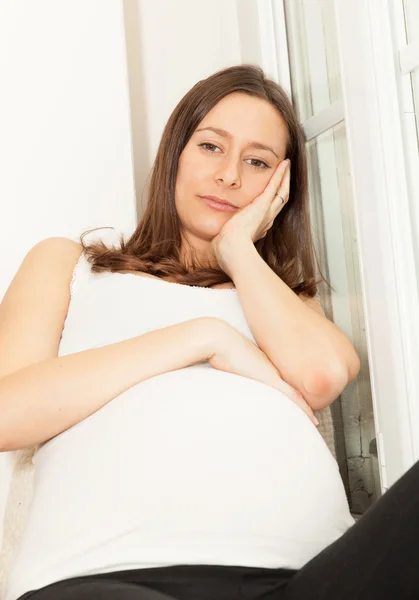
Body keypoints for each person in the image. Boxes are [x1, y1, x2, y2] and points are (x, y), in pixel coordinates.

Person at [0, 64, 417, 600]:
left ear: (280, 188)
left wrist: (239, 251)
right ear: (175, 153)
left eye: (257, 161)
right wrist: (204, 337)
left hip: (303, 578)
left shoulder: (282, 299)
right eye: (211, 147)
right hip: (111, 576)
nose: (230, 177)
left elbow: (324, 374)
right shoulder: (69, 266)